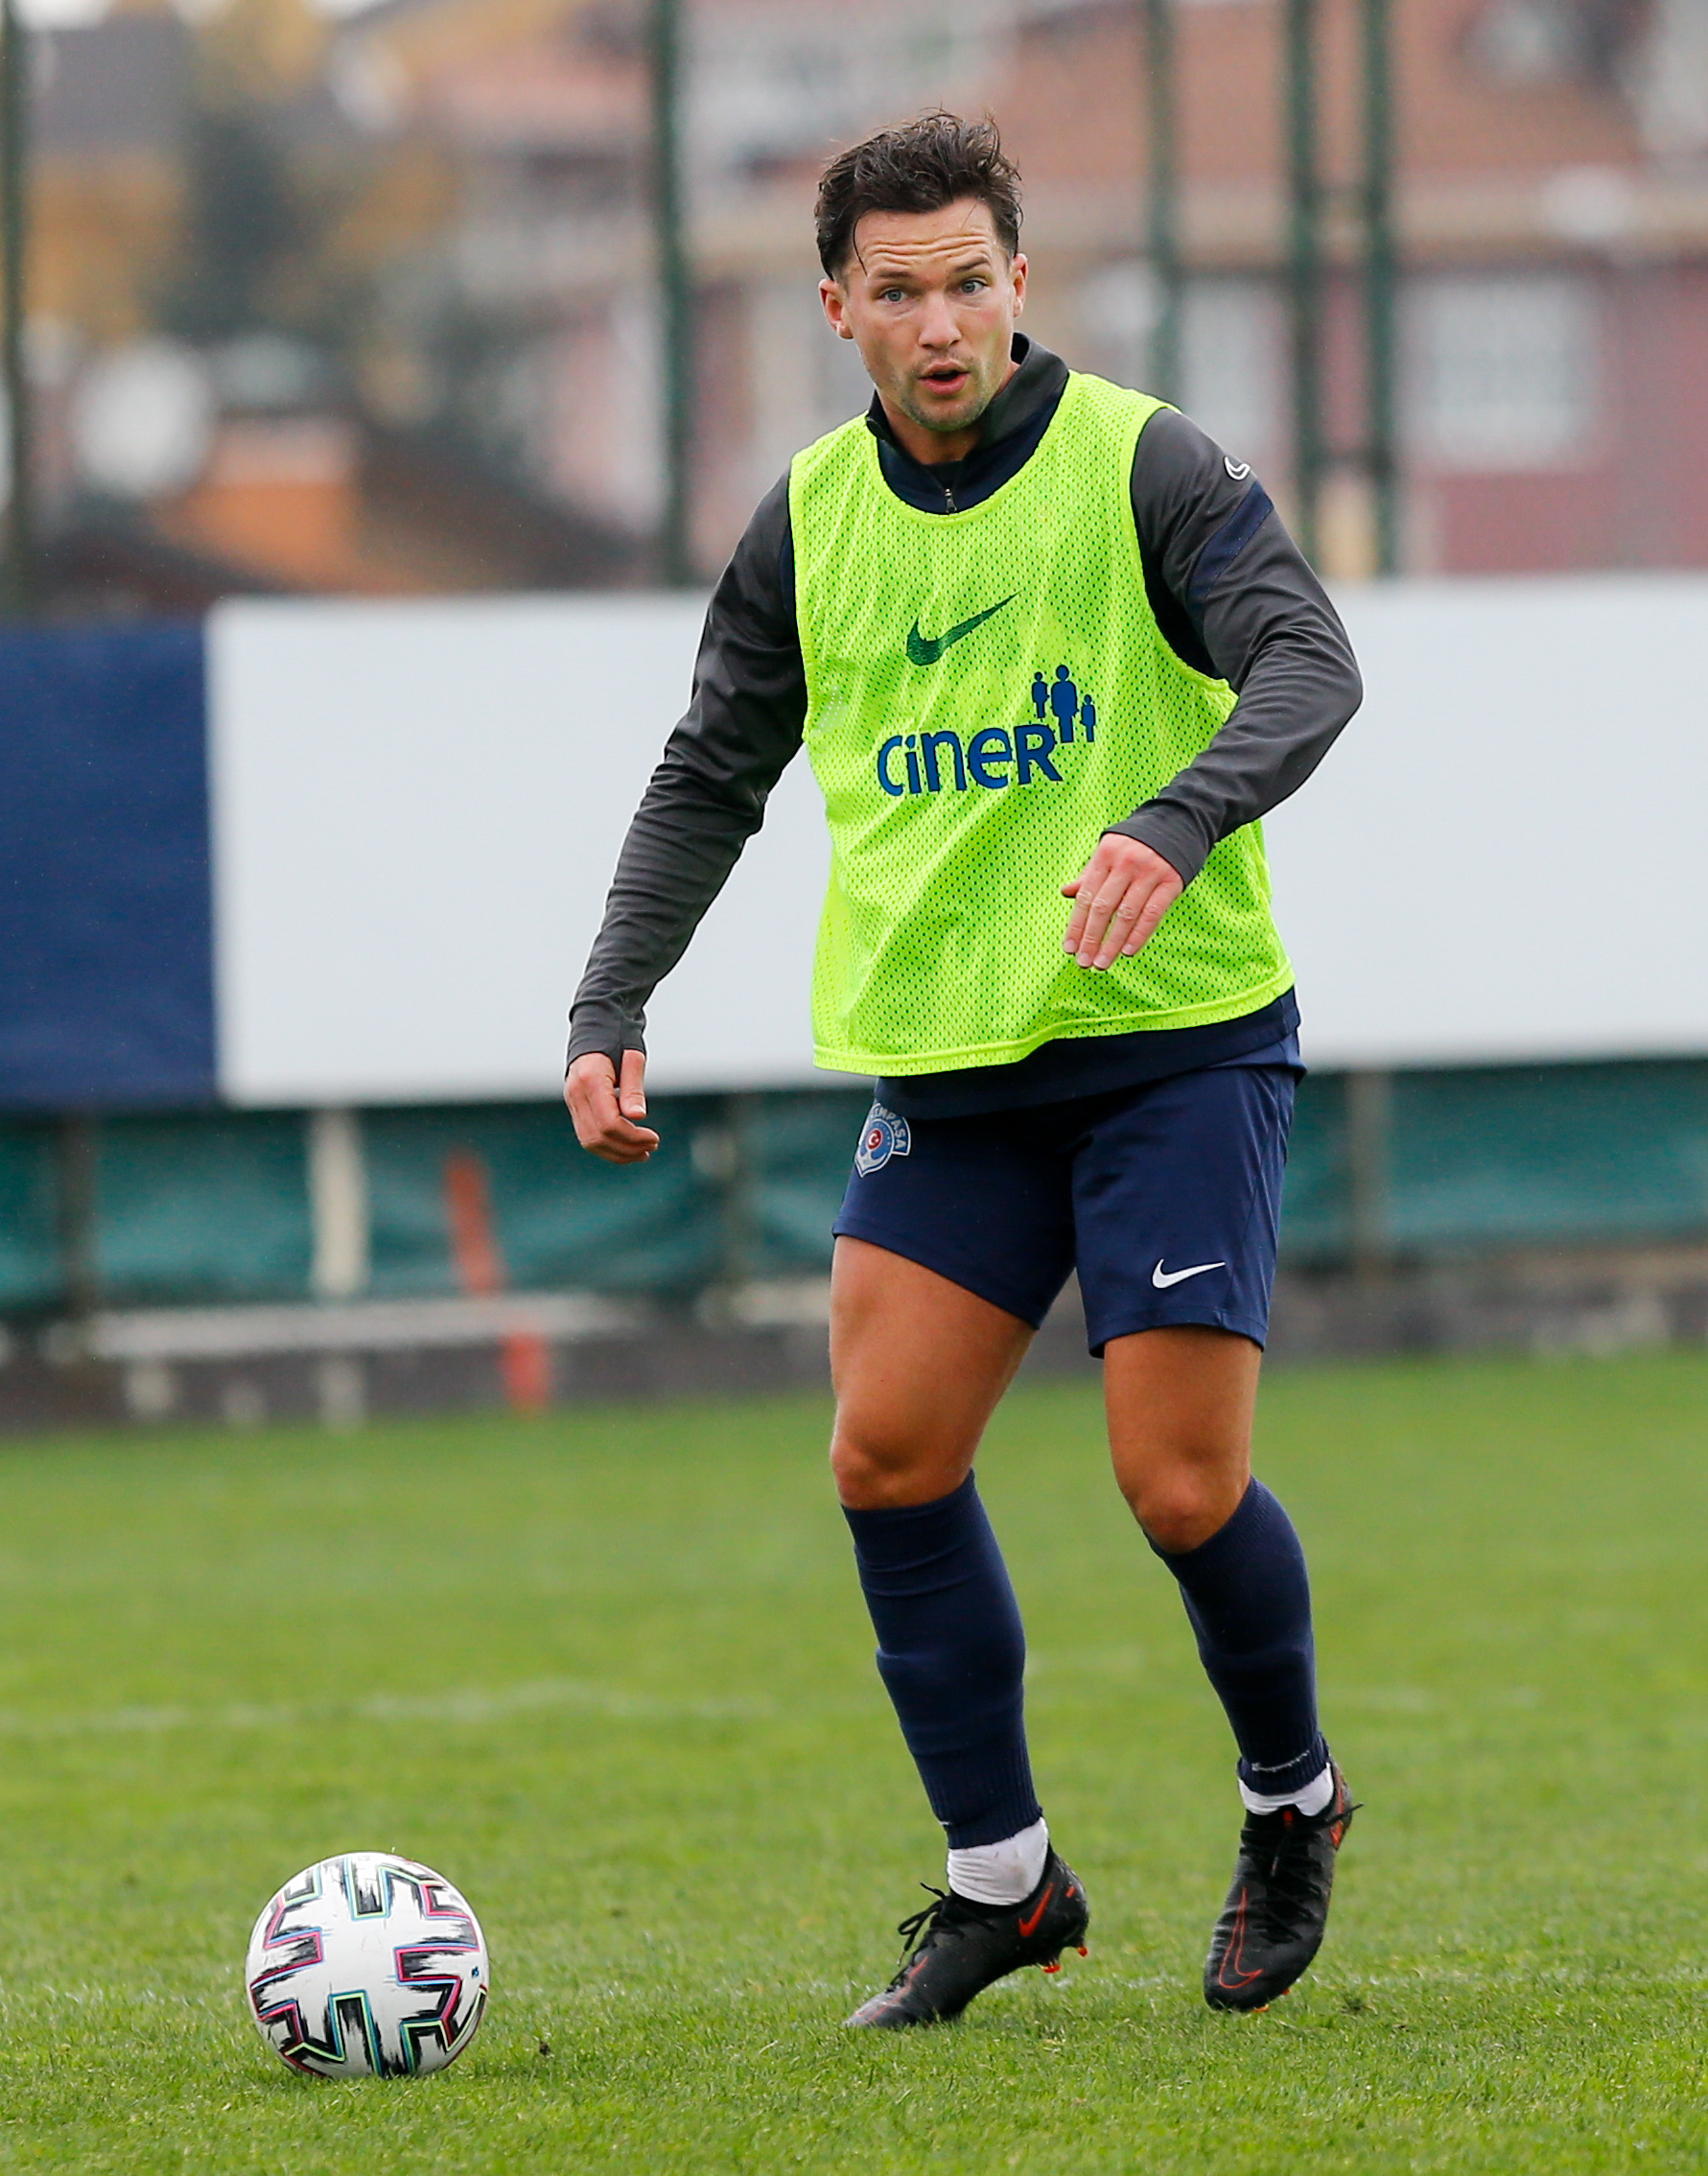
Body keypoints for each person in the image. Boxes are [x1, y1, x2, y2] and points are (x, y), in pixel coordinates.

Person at [566, 111, 1364, 2029]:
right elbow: (710, 770)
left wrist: (1172, 819)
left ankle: (1291, 1801)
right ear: (835, 307)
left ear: (1020, 283)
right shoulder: (806, 523)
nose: (939, 324)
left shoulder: (1142, 464)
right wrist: (610, 998)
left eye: (969, 283)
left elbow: (1309, 664)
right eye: (898, 291)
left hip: (1169, 1041)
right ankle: (1004, 1881)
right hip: (948, 1060)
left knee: (1177, 1487)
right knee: (885, 1454)